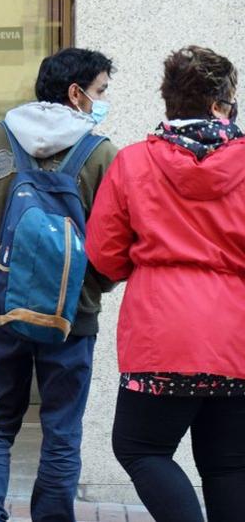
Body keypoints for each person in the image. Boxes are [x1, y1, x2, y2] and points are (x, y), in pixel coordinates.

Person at [0, 47, 119, 522]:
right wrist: (90, 289)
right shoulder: (101, 154)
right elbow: (115, 242)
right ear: (76, 93)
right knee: (62, 429)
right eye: (101, 91)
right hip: (72, 317)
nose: (103, 101)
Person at [87, 46, 245, 522]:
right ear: (220, 104)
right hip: (236, 337)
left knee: (139, 448)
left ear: (170, 101)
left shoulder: (134, 163)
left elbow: (106, 256)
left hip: (162, 335)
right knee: (230, 464)